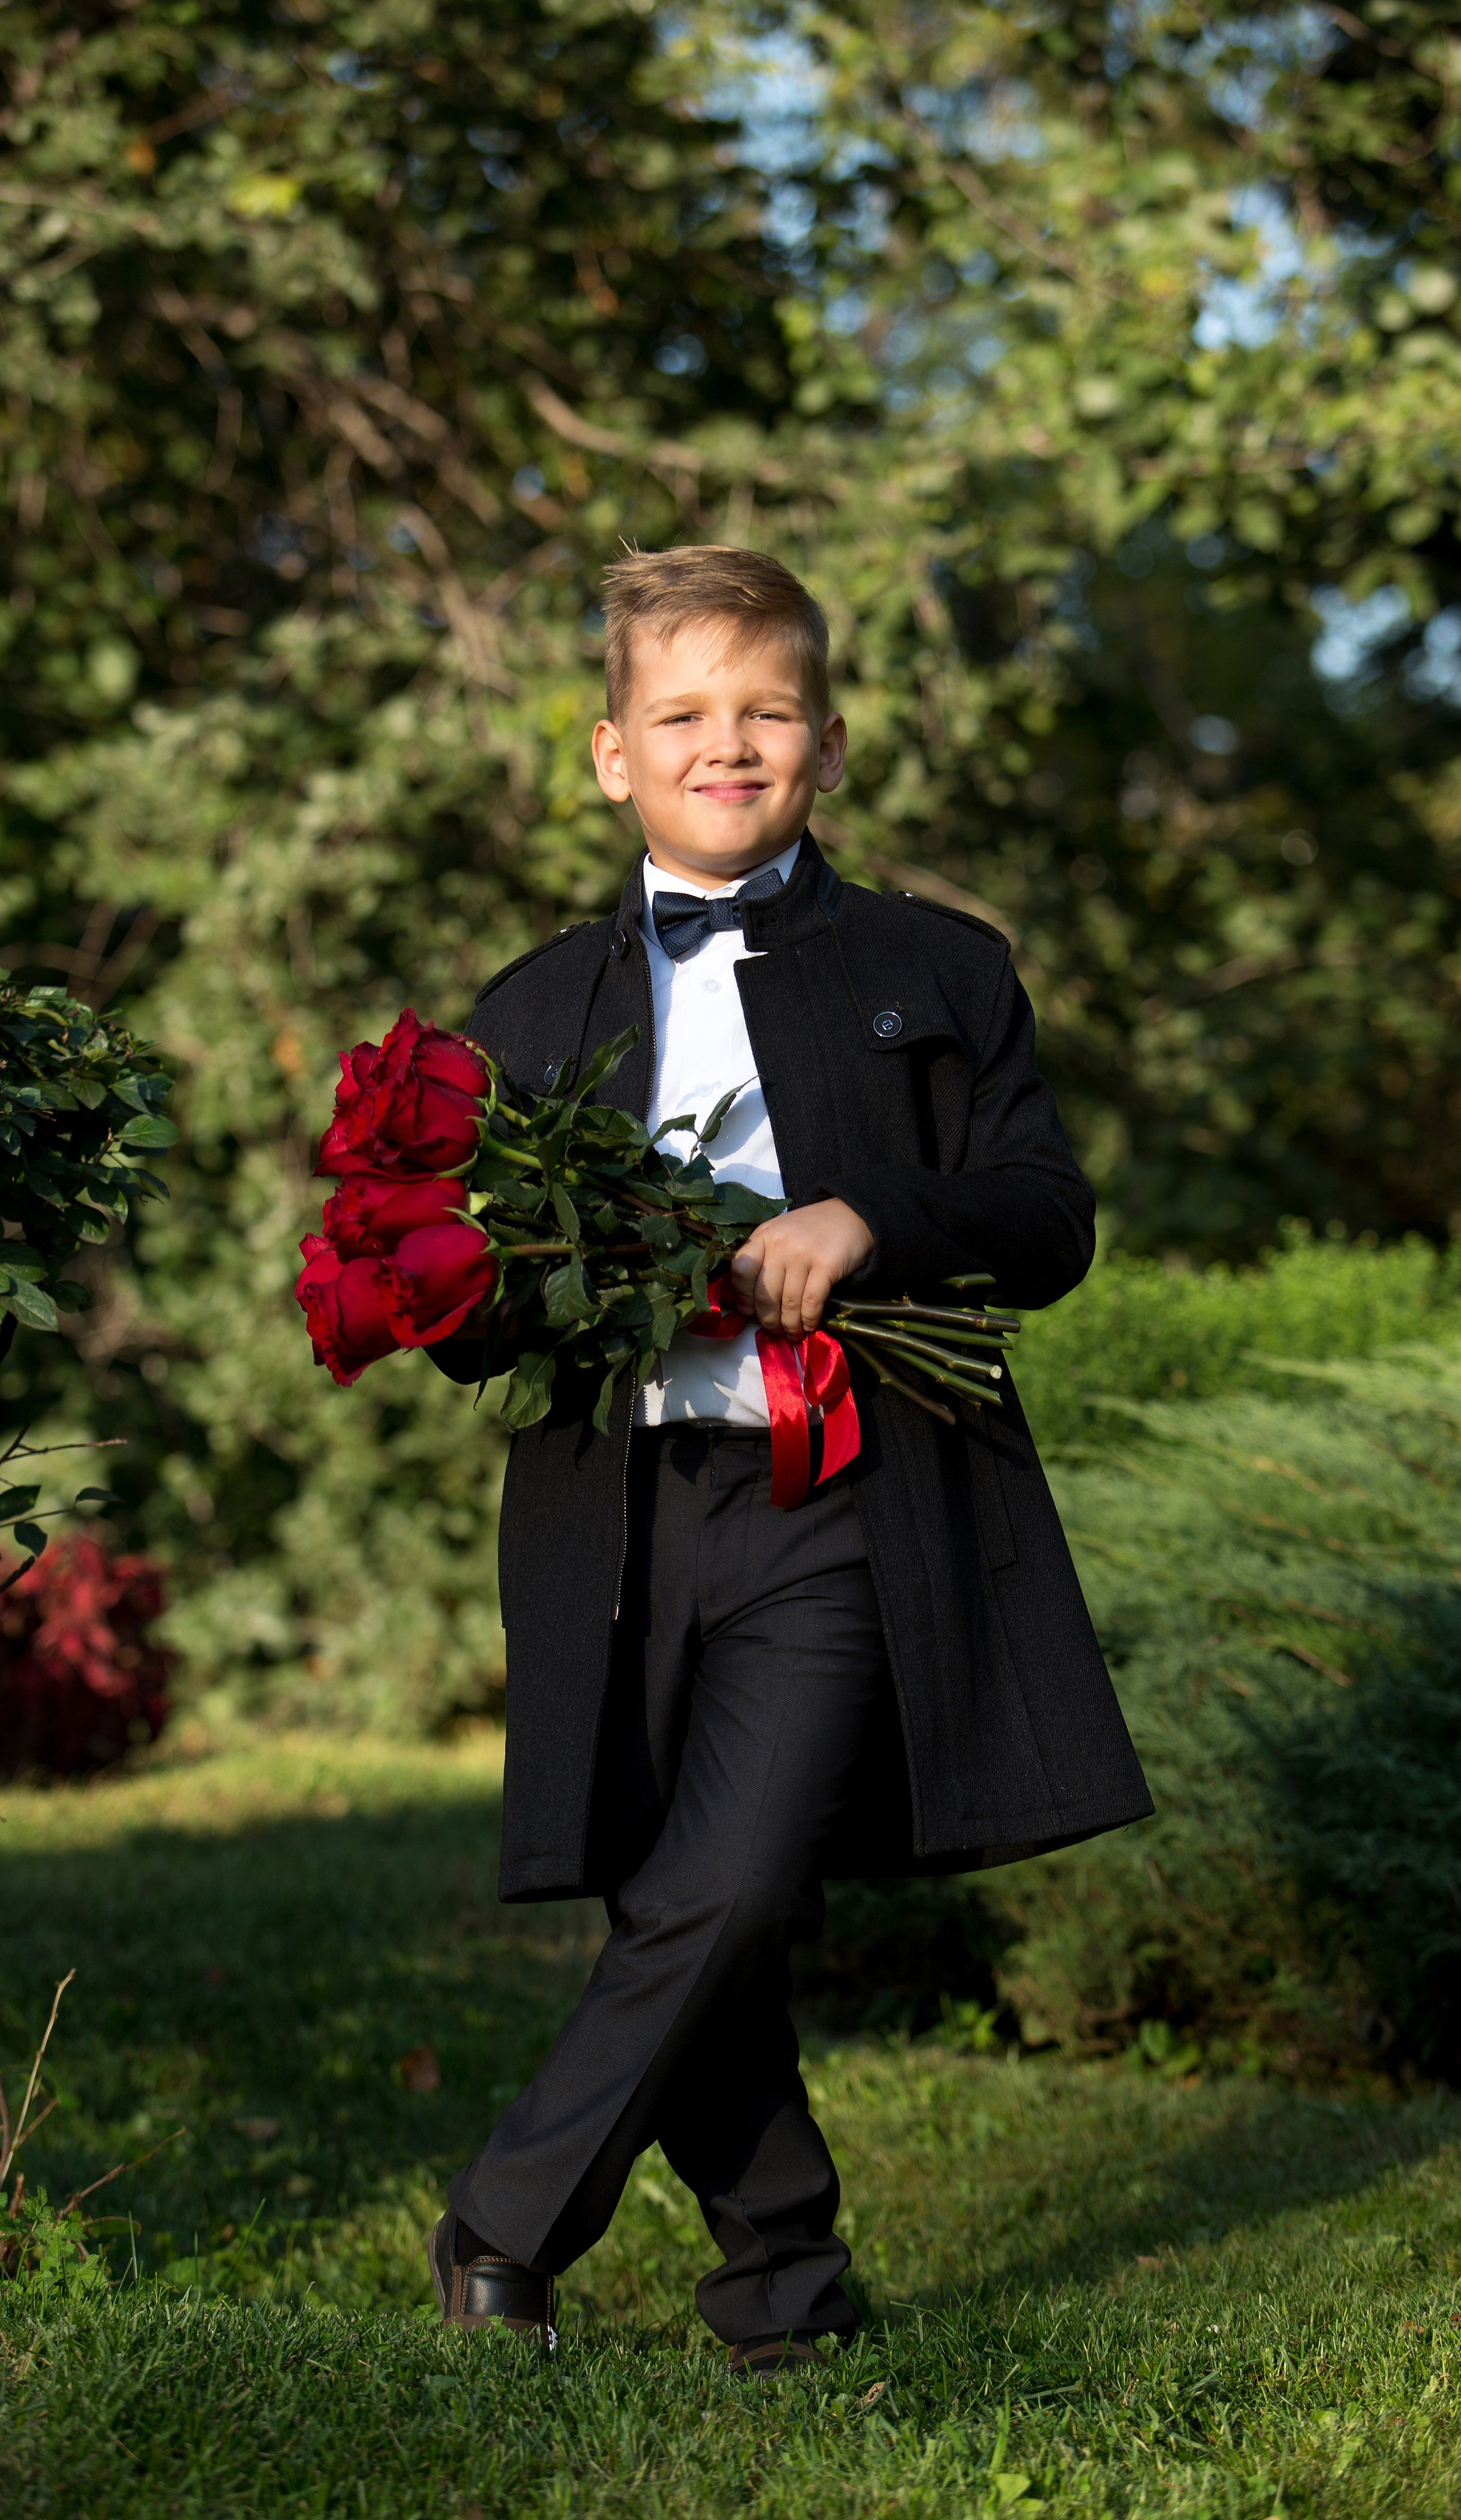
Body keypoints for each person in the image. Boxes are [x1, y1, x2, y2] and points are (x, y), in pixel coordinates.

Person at [426, 546, 1151, 2374]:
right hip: (617, 1520)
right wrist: (467, 1288)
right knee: (679, 1905)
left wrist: (875, 1219)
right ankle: (786, 2298)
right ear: (612, 754)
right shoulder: (525, 1021)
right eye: (682, 715)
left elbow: (1047, 1220)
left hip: (842, 1502)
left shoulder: (938, 966)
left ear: (823, 741)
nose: (724, 744)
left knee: (736, 1881)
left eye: (763, 711)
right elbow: (474, 1313)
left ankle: (505, 2223)